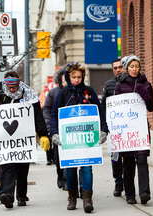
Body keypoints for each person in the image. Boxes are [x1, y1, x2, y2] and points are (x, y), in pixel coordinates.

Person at [49, 62, 108, 213]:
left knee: (87, 167)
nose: (77, 80)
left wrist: (103, 130)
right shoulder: (62, 93)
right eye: (74, 77)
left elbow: (100, 111)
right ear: (68, 77)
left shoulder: (89, 91)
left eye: (79, 77)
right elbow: (54, 114)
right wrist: (54, 133)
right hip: (69, 139)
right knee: (70, 169)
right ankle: (72, 198)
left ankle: (87, 198)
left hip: (87, 138)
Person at [0, 71, 49, 208]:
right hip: (5, 141)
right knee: (7, 167)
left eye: (14, 87)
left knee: (22, 169)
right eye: (9, 87)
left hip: (23, 140)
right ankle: (6, 195)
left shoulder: (29, 96)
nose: (11, 90)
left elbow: (38, 116)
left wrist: (43, 134)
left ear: (18, 84)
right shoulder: (0, 97)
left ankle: (21, 196)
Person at [114, 55, 153, 205]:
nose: (134, 69)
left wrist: (142, 92)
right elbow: (115, 107)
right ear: (126, 68)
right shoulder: (120, 85)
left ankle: (144, 193)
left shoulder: (146, 84)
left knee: (142, 159)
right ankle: (130, 194)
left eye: (137, 66)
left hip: (141, 129)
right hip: (126, 130)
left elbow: (152, 107)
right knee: (128, 163)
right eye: (131, 66)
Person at [101, 58, 125, 197]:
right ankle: (118, 182)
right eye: (115, 68)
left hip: (129, 128)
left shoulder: (131, 82)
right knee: (115, 157)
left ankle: (127, 182)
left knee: (128, 158)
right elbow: (104, 105)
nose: (118, 70)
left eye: (120, 67)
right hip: (114, 128)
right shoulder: (109, 85)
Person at [42, 67, 68, 190]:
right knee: (58, 156)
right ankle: (61, 177)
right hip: (58, 130)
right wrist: (49, 127)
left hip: (73, 129)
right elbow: (47, 110)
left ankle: (69, 180)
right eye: (63, 75)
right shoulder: (54, 92)